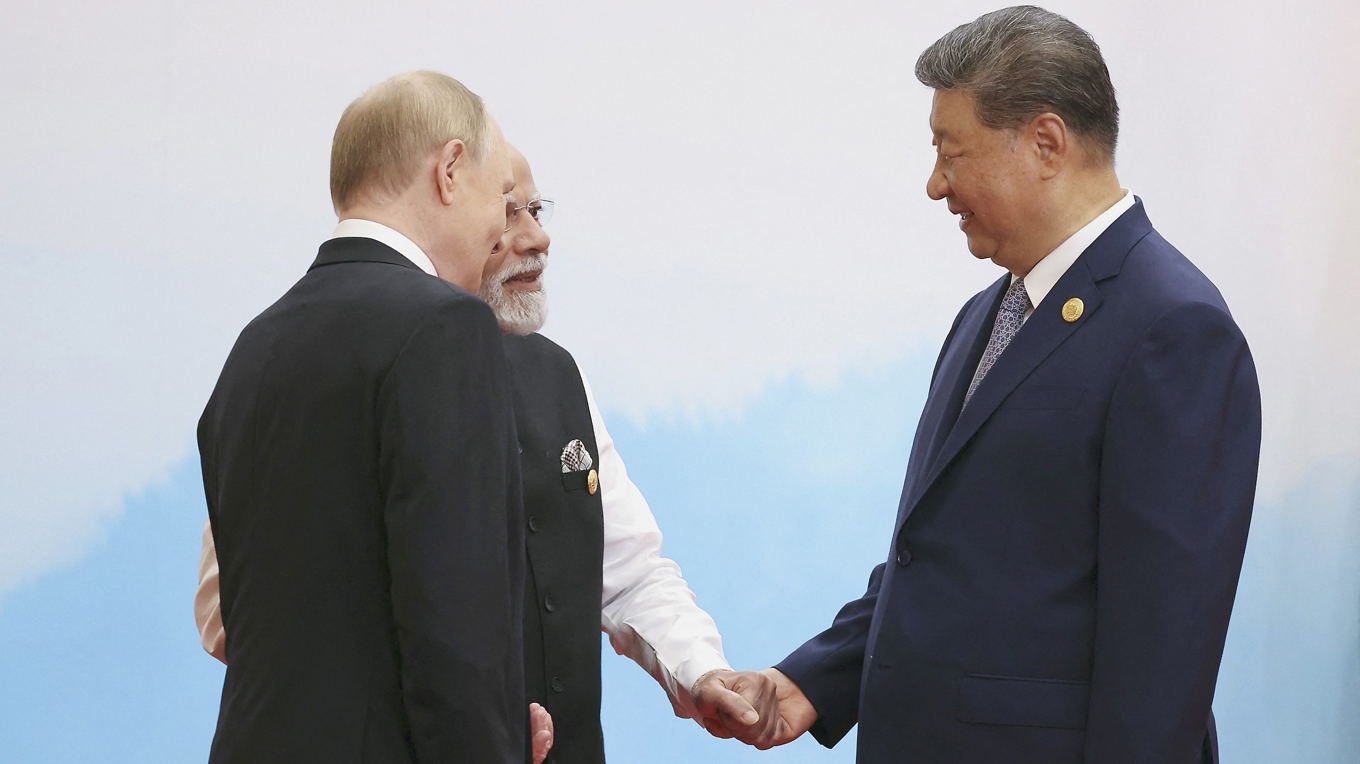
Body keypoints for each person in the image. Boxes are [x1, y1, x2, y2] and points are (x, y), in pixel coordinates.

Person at [719, 7, 1262, 763]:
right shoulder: (986, 313)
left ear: (1044, 142)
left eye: (952, 151)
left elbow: (1163, 648)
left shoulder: (1174, 329)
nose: (936, 183)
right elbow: (943, 558)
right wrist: (814, 680)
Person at [196, 145, 782, 763]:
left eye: (537, 208)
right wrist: (463, 724)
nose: (538, 238)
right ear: (448, 214)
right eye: (507, 215)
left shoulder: (557, 373)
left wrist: (700, 669)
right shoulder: (332, 368)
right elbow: (232, 609)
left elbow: (629, 570)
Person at [196, 71, 547, 763]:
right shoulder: (446, 328)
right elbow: (457, 633)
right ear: (450, 171)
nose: (499, 236)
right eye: (499, 201)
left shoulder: (256, 344)